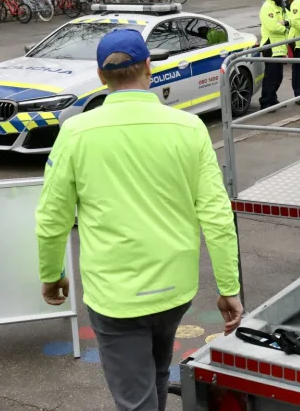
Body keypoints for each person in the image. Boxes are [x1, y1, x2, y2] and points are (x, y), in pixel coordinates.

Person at [35, 28, 243, 411]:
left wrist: (51, 274)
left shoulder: (76, 133)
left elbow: (52, 216)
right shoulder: (189, 128)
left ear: (100, 76)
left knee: (135, 398)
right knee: (158, 372)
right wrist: (229, 286)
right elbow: (216, 214)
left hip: (115, 294)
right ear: (149, 68)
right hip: (174, 288)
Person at [259, 0, 290, 109]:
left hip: (280, 46)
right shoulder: (267, 7)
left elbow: (290, 20)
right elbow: (273, 27)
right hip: (270, 45)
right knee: (270, 76)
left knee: (278, 76)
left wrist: (286, 23)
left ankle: (272, 98)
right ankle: (265, 102)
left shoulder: (281, 5)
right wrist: (285, 27)